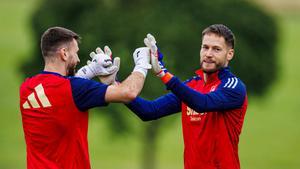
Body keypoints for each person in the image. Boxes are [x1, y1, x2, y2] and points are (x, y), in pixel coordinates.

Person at [19, 26, 152, 169]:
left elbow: (59, 94)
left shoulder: (27, 88)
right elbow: (129, 92)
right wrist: (142, 64)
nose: (77, 59)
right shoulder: (76, 88)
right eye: (76, 53)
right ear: (64, 53)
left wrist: (89, 71)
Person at [124, 24, 248, 169]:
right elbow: (149, 111)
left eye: (216, 49)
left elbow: (203, 103)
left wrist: (163, 74)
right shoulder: (192, 86)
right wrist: (115, 86)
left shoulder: (234, 87)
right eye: (205, 47)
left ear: (230, 54)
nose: (208, 54)